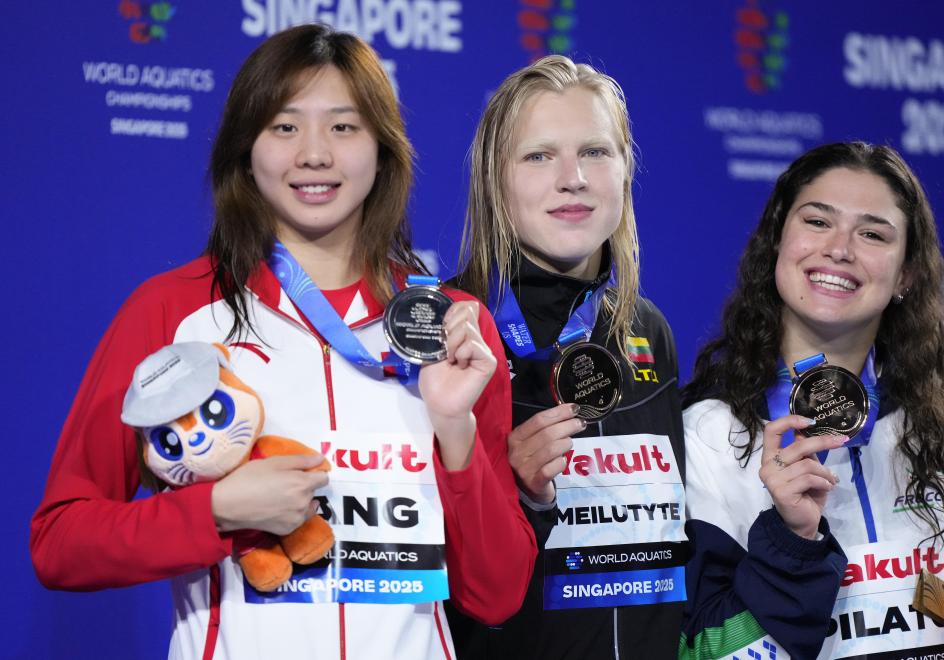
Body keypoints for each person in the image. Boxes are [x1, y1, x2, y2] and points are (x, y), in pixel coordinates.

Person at [30, 25, 535, 660]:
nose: (315, 154)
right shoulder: (171, 312)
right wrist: (216, 509)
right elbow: (61, 542)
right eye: (284, 126)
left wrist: (455, 430)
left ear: (382, 149)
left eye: (344, 127)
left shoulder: (448, 325)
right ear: (246, 150)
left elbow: (496, 594)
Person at [679, 142, 944, 659]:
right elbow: (703, 650)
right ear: (777, 241)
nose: (840, 249)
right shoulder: (707, 432)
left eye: (873, 234)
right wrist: (791, 542)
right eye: (818, 222)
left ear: (906, 273)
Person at [447, 55, 687, 659]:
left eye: (596, 152)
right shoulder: (452, 333)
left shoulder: (647, 331)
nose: (573, 178)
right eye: (538, 156)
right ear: (494, 180)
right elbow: (420, 582)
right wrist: (512, 493)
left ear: (626, 170)